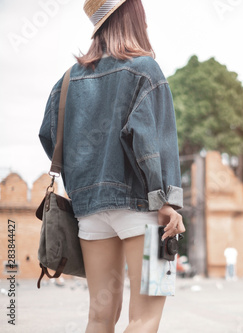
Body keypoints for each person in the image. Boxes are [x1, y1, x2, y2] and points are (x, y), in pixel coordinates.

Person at [38, 1, 186, 332]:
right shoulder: (146, 70)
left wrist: (82, 180)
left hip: (90, 213)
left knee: (99, 317)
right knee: (145, 317)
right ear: (135, 19)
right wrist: (166, 203)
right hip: (143, 210)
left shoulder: (67, 80)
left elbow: (49, 136)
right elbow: (151, 144)